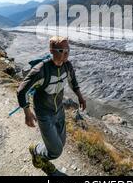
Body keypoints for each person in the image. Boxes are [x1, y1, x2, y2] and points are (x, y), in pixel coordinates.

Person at [16, 36, 86, 175]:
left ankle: (41, 154)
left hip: (59, 110)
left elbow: (73, 82)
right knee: (56, 151)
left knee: (61, 143)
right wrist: (27, 113)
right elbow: (21, 91)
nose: (66, 53)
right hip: (44, 113)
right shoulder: (41, 70)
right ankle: (35, 149)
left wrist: (80, 97)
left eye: (68, 50)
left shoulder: (67, 66)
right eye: (61, 50)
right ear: (51, 51)